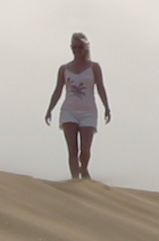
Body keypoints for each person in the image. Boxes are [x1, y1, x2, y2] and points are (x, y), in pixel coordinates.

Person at [43, 33, 111, 180]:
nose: (77, 50)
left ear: (86, 48)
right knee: (73, 150)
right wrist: (50, 109)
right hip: (69, 111)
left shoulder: (94, 67)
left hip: (88, 111)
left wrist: (107, 107)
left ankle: (84, 169)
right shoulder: (64, 69)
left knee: (85, 150)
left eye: (80, 47)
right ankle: (75, 181)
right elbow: (58, 90)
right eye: (74, 47)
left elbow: (100, 87)